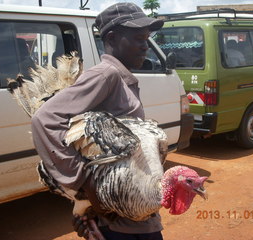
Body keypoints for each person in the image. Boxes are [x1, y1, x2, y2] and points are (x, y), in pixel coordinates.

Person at [31, 2, 164, 240]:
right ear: (112, 38)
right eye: (138, 38)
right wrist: (85, 185)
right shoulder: (106, 75)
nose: (146, 46)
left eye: (147, 38)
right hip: (117, 222)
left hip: (133, 216)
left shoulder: (122, 78)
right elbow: (45, 119)